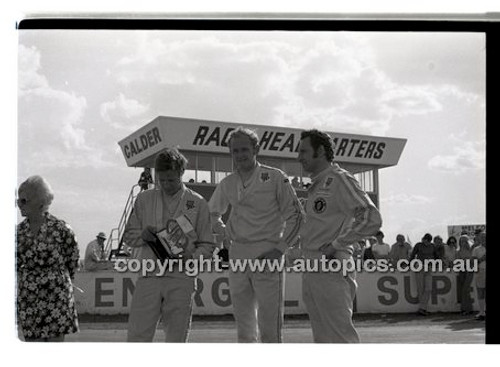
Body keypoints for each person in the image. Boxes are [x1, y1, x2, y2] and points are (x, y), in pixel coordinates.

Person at [208, 127, 303, 343]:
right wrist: (223, 231)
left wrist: (279, 250)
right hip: (238, 254)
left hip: (267, 252)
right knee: (244, 324)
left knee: (270, 325)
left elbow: (297, 217)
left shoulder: (275, 177)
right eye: (235, 151)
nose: (240, 155)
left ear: (256, 149)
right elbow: (211, 213)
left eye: (244, 149)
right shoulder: (228, 183)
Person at [297, 129, 382, 343]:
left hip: (332, 267)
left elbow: (371, 217)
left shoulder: (340, 179)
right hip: (312, 268)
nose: (299, 157)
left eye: (304, 151)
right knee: (324, 339)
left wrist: (337, 244)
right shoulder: (316, 185)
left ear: (321, 151)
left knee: (339, 338)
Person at [123, 149, 215, 342]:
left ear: (181, 173)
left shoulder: (197, 203)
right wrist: (143, 235)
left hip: (181, 277)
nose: (165, 185)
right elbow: (129, 237)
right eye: (161, 180)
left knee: (176, 337)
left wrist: (191, 259)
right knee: (137, 336)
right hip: (149, 275)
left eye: (171, 180)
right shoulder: (144, 199)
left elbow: (207, 245)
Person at [16, 175, 80, 341]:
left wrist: (59, 278)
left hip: (57, 296)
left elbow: (73, 260)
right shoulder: (17, 233)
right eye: (18, 201)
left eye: (23, 200)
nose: (19, 205)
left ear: (39, 202)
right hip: (29, 297)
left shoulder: (62, 229)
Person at [410, 233, 437, 316]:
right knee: (420, 288)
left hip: (428, 267)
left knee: (428, 288)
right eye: (425, 240)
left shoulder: (432, 246)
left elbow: (436, 256)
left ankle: (422, 308)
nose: (426, 241)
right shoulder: (418, 245)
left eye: (428, 240)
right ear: (423, 239)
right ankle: (423, 308)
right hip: (419, 266)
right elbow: (412, 255)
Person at [457, 234, 474, 316]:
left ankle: (467, 309)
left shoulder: (471, 250)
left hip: (469, 270)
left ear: (467, 241)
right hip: (461, 270)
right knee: (463, 290)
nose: (462, 242)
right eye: (461, 241)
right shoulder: (458, 251)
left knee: (465, 289)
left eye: (464, 241)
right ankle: (466, 308)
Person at [471, 231, 486, 321]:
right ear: (479, 238)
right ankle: (482, 312)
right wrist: (482, 258)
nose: (484, 239)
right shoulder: (476, 249)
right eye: (482, 237)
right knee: (480, 292)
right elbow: (473, 262)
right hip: (480, 271)